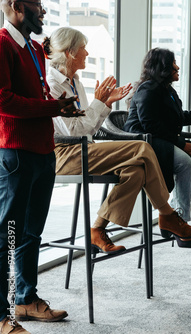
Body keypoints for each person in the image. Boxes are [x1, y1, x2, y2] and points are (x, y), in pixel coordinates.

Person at [44, 27, 191, 254]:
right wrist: (99, 103)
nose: (87, 53)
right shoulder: (53, 84)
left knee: (136, 171)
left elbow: (90, 129)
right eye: (83, 49)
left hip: (84, 148)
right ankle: (168, 215)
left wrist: (105, 104)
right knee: (142, 147)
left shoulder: (75, 82)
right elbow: (74, 132)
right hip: (65, 154)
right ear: (69, 53)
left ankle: (97, 229)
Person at [0, 1, 83, 332]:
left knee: (31, 232)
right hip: (16, 153)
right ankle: (3, 315)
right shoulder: (3, 45)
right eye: (38, 5)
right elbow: (3, 100)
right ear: (18, 7)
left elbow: (39, 98)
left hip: (43, 151)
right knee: (7, 236)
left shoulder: (34, 47)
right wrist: (50, 107)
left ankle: (26, 300)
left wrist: (58, 108)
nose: (43, 12)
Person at [124, 48, 191, 248]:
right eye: (173, 62)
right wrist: (182, 143)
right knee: (185, 162)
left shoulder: (168, 90)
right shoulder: (148, 89)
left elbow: (180, 118)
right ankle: (178, 223)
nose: (177, 66)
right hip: (144, 142)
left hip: (163, 139)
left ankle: (173, 216)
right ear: (163, 67)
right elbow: (150, 125)